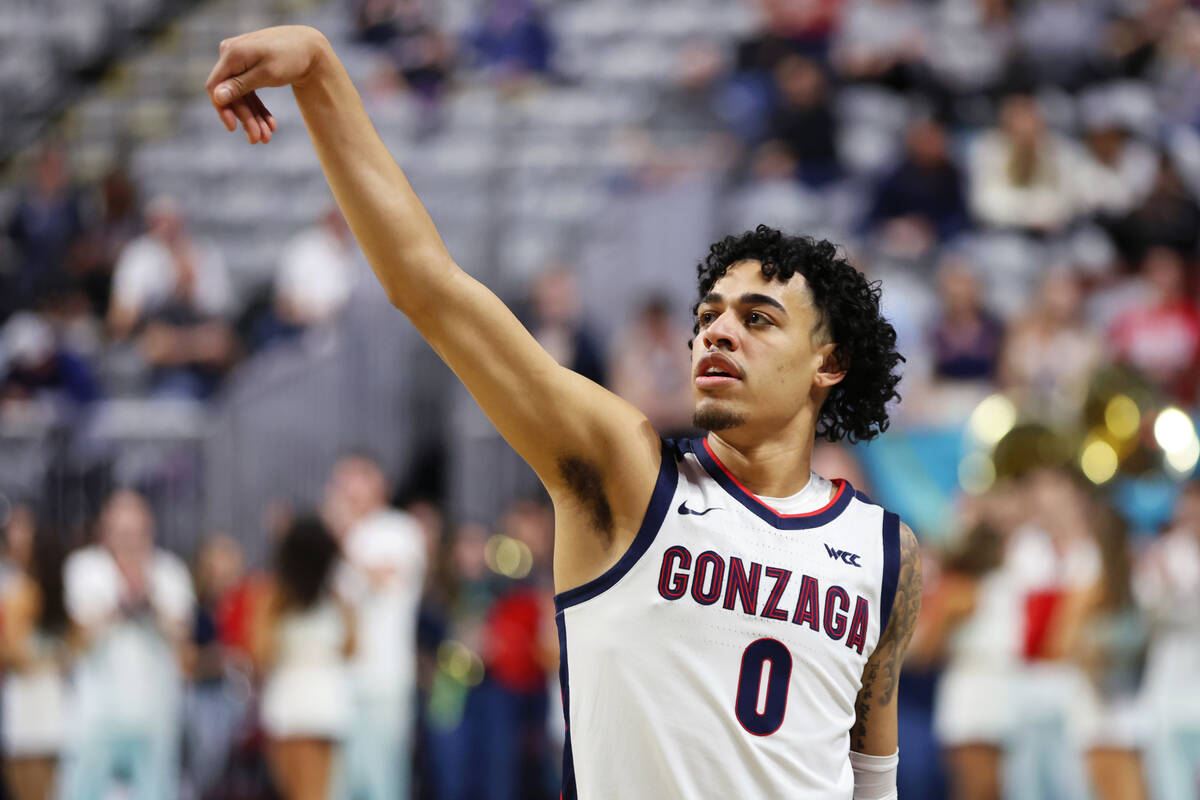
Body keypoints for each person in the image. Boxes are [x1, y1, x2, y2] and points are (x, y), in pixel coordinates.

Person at [206, 28, 920, 799]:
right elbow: (429, 287)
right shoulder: (627, 470)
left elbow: (871, 781)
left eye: (758, 318)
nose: (717, 329)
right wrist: (319, 71)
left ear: (830, 363)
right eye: (709, 313)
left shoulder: (887, 554)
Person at [62, 489, 195, 800]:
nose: (130, 541)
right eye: (122, 533)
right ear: (105, 531)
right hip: (96, 714)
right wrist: (118, 606)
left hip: (155, 713)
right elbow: (79, 635)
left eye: (137, 532)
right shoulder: (84, 568)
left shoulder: (170, 571)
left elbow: (183, 636)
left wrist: (150, 603)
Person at [323, 452, 425, 800]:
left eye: (351, 479)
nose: (343, 490)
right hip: (340, 683)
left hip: (384, 680)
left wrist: (342, 536)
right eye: (339, 481)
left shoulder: (399, 529)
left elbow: (385, 578)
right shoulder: (340, 539)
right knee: (342, 787)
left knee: (384, 785)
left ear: (377, 482)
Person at [254, 515, 355, 800]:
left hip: (310, 709)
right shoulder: (280, 599)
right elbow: (353, 648)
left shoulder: (331, 598)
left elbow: (260, 653)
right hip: (295, 708)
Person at [1, 511, 72, 800]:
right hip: (40, 699)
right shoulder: (23, 591)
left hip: (35, 702)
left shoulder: (23, 594)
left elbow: (12, 652)